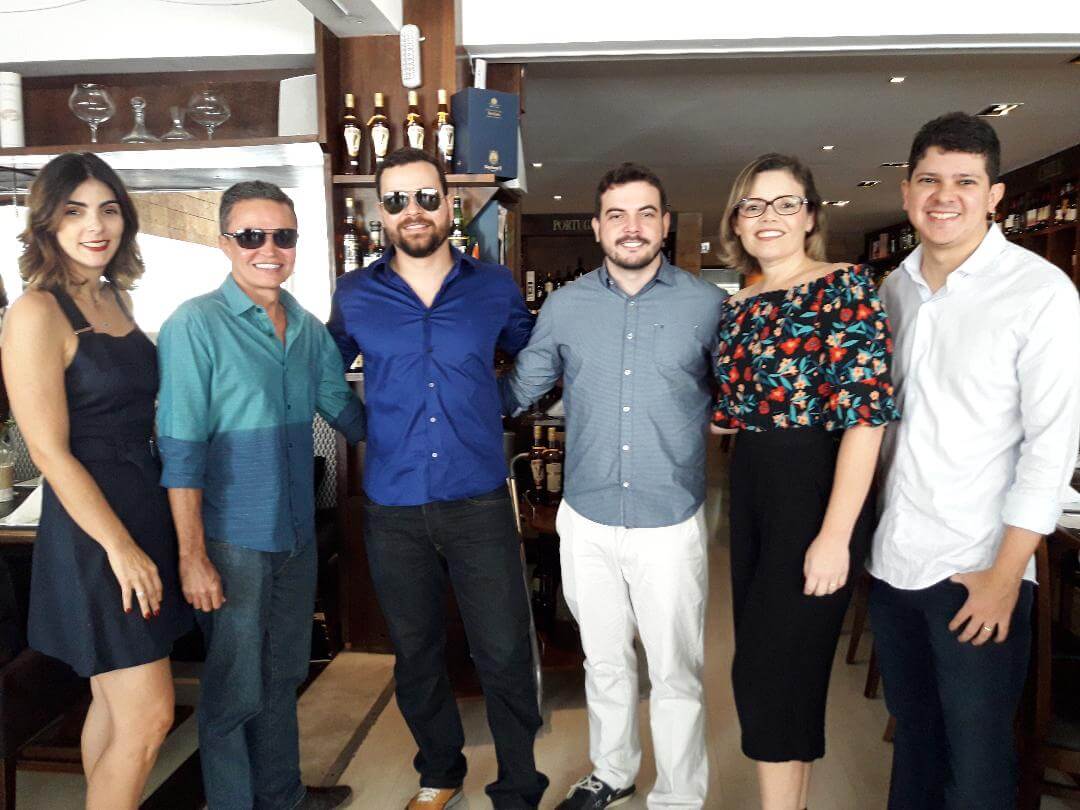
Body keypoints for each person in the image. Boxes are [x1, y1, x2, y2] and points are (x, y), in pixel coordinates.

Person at [869, 112, 1080, 810]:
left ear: (994, 195)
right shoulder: (893, 289)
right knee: (914, 741)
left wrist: (1003, 577)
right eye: (929, 179)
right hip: (893, 562)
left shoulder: (1040, 293)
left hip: (976, 569)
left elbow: (1051, 448)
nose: (944, 196)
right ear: (907, 191)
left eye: (965, 181)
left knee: (979, 760)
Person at [327, 147, 546, 810]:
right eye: (397, 200)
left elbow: (536, 354)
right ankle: (440, 770)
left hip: (478, 500)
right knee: (416, 653)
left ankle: (518, 785)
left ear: (450, 205)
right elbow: (321, 370)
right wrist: (363, 429)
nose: (413, 211)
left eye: (426, 197)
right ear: (381, 211)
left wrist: (497, 403)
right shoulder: (356, 293)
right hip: (392, 506)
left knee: (504, 651)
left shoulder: (493, 286)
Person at [501, 162, 723, 810]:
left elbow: (740, 397)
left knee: (675, 670)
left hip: (669, 520)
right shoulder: (566, 307)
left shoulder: (707, 306)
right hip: (588, 517)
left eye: (646, 213)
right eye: (617, 215)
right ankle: (614, 771)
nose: (632, 227)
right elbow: (522, 387)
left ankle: (678, 795)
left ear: (665, 224)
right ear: (598, 227)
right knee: (603, 660)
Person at [156, 181, 364, 810]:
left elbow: (345, 411)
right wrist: (192, 556)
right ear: (225, 243)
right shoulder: (194, 325)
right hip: (231, 542)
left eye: (282, 236)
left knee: (285, 674)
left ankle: (284, 797)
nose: (268, 249)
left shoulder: (306, 328)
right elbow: (181, 449)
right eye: (251, 236)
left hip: (296, 536)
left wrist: (425, 425)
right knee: (233, 688)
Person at [1, 152, 192, 810]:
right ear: (47, 222)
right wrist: (120, 547)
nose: (95, 225)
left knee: (114, 708)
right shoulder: (35, 312)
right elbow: (49, 453)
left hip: (141, 506)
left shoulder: (112, 297)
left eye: (108, 210)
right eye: (76, 210)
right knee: (150, 718)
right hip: (95, 533)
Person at [711, 153, 899, 810]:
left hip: (814, 492)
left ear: (810, 216)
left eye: (785, 203)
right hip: (753, 490)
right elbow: (731, 413)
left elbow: (867, 419)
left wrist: (835, 536)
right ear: (738, 221)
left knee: (771, 674)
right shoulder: (736, 306)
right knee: (774, 674)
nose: (769, 217)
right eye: (754, 205)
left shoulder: (844, 286)